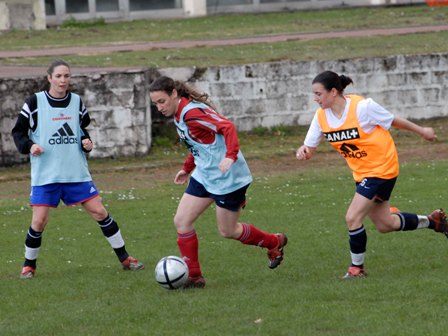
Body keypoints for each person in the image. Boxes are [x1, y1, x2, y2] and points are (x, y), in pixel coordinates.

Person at [296, 70, 447, 279]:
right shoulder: (321, 117)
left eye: (318, 93)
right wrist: (303, 151)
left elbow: (394, 120)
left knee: (352, 217)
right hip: (362, 174)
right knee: (386, 224)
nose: (315, 98)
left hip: (382, 168)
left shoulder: (362, 107)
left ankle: (357, 269)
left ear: (333, 92)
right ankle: (434, 222)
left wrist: (422, 131)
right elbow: (309, 148)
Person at [149, 76, 287, 288]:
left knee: (228, 231)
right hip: (205, 174)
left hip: (228, 178)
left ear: (174, 94)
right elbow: (198, 144)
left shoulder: (191, 113)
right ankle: (194, 277)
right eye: (155, 103)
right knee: (182, 221)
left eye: (162, 101)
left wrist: (231, 155)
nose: (159, 107)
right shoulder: (179, 113)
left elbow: (228, 127)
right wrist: (187, 168)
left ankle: (273, 242)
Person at [11, 59, 144, 279]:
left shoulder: (76, 102)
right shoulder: (34, 102)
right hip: (46, 175)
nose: (63, 80)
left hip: (75, 172)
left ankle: (125, 258)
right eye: (59, 76)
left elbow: (81, 130)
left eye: (67, 76)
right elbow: (18, 133)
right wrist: (29, 146)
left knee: (100, 212)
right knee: (39, 221)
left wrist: (87, 143)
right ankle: (28, 266)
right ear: (49, 78)